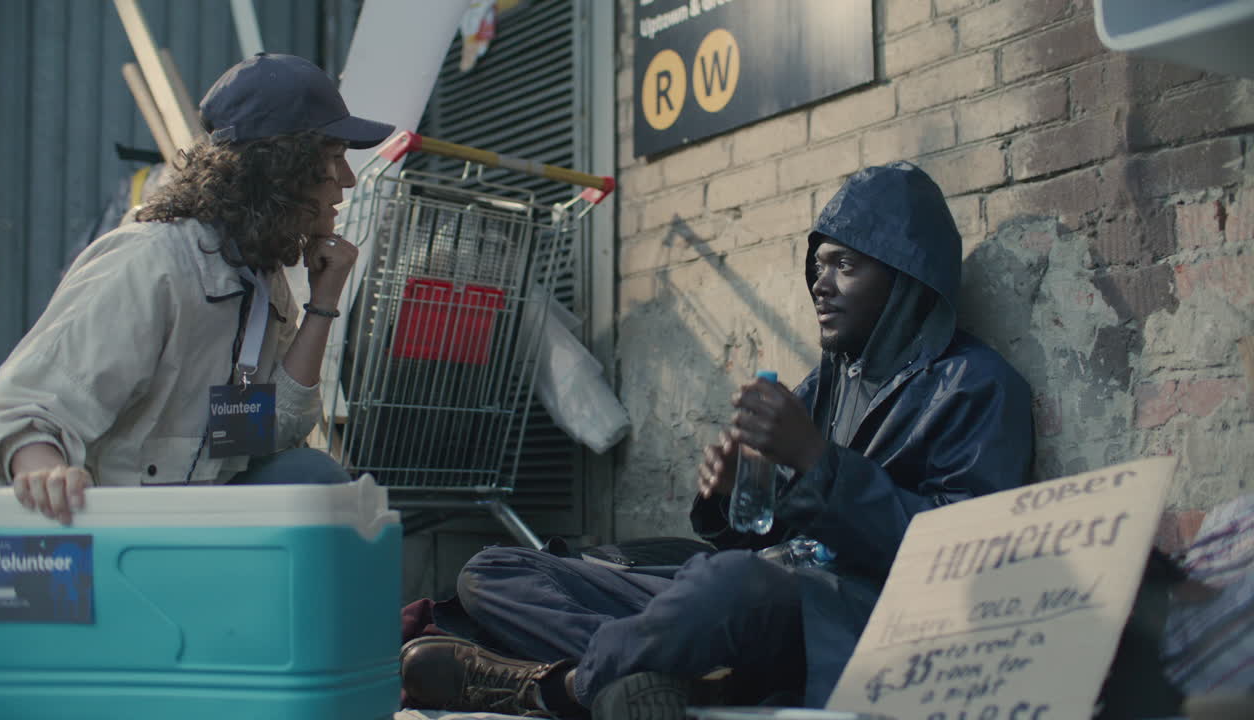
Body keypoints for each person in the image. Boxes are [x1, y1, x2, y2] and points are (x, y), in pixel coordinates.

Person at [398, 162, 1036, 719]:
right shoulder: (831, 380)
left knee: (722, 588)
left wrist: (817, 462)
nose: (821, 284)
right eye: (818, 265)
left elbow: (962, 557)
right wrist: (734, 497)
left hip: (839, 610)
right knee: (493, 571)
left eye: (846, 265)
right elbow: (772, 536)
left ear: (904, 280)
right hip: (763, 584)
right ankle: (661, 674)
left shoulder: (975, 386)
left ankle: (559, 687)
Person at [0, 53, 395, 523]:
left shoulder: (259, 280)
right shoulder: (150, 263)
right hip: (112, 530)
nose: (348, 180)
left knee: (310, 477)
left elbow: (268, 435)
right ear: (282, 169)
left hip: (191, 515)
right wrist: (43, 471)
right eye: (335, 159)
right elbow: (18, 410)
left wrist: (323, 303)